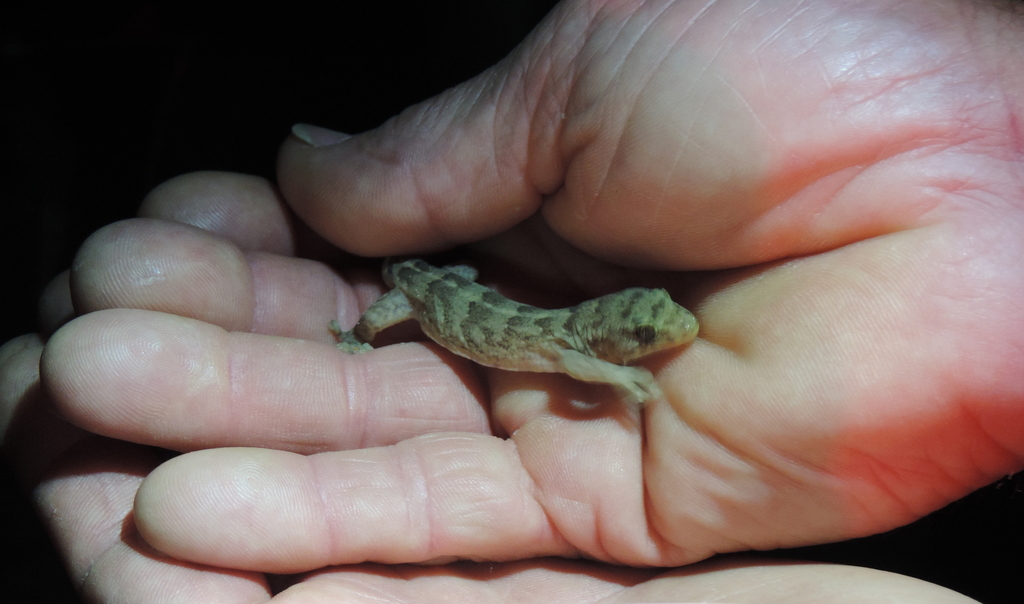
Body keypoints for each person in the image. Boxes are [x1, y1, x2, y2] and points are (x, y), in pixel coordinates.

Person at [3, 0, 1022, 601]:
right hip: (435, 295)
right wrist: (632, 389)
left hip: (472, 294)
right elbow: (598, 373)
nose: (662, 335)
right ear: (610, 324)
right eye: (647, 325)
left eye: (651, 326)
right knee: (388, 299)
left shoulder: (581, 333)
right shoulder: (581, 352)